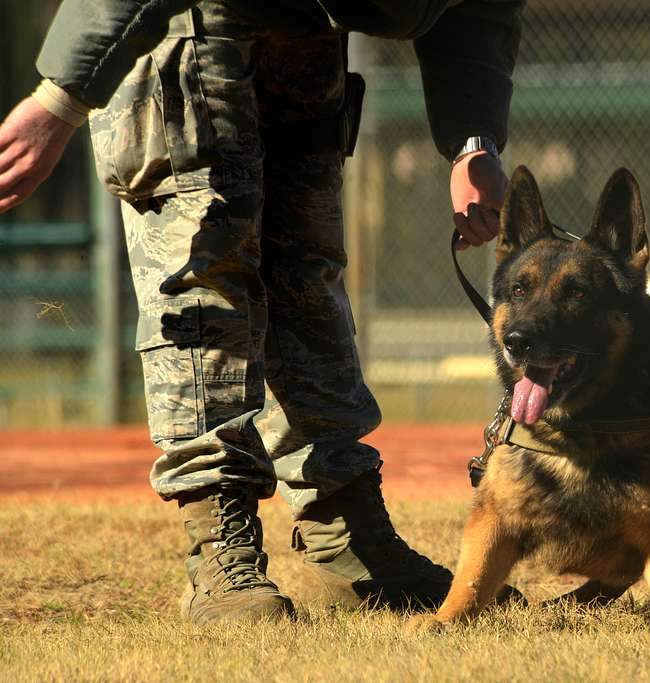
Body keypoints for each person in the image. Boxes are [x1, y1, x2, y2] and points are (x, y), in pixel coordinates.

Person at [0, 0, 520, 623]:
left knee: (307, 267)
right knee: (206, 267)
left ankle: (347, 535)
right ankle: (220, 548)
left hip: (309, 25)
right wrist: (61, 99)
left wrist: (472, 140)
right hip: (181, 19)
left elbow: (480, 10)